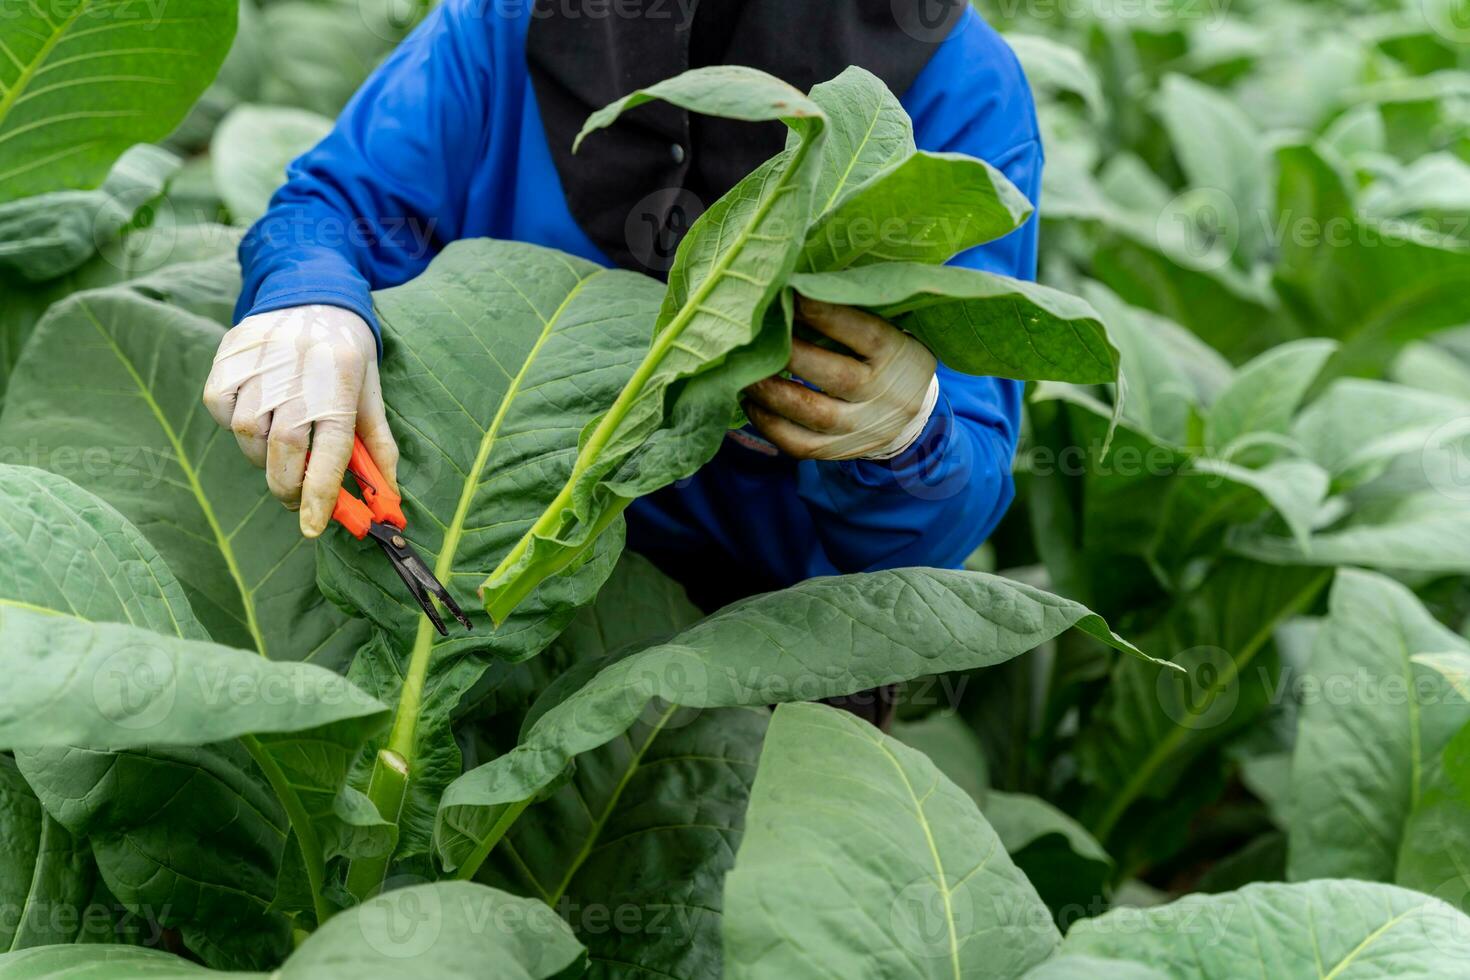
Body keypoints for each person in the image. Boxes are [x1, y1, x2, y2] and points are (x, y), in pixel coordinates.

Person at [203, 0, 1041, 617]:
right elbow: (335, 203)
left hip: (756, 656)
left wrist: (909, 435)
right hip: (464, 574)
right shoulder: (510, 18)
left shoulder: (961, 83)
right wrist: (309, 296)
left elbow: (942, 534)